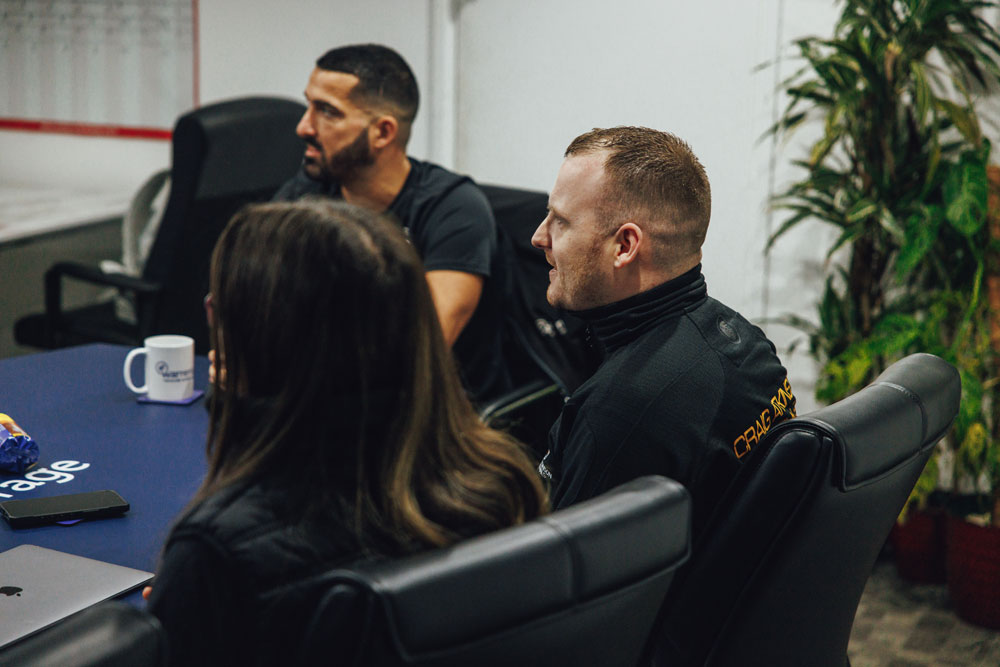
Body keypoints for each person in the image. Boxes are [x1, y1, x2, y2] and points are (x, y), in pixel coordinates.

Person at [146, 200, 547, 667]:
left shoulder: (216, 555)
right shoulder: (502, 483)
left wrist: (175, 616)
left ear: (259, 338)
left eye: (219, 312)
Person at [531, 126, 796, 543]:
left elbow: (559, 590)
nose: (539, 237)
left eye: (560, 222)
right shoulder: (746, 343)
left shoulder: (617, 417)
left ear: (625, 246)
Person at [273, 43, 507, 404]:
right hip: (329, 402)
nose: (304, 127)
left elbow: (418, 349)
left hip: (436, 418)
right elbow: (256, 301)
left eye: (327, 112)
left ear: (383, 132)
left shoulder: (454, 209)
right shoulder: (306, 193)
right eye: (309, 105)